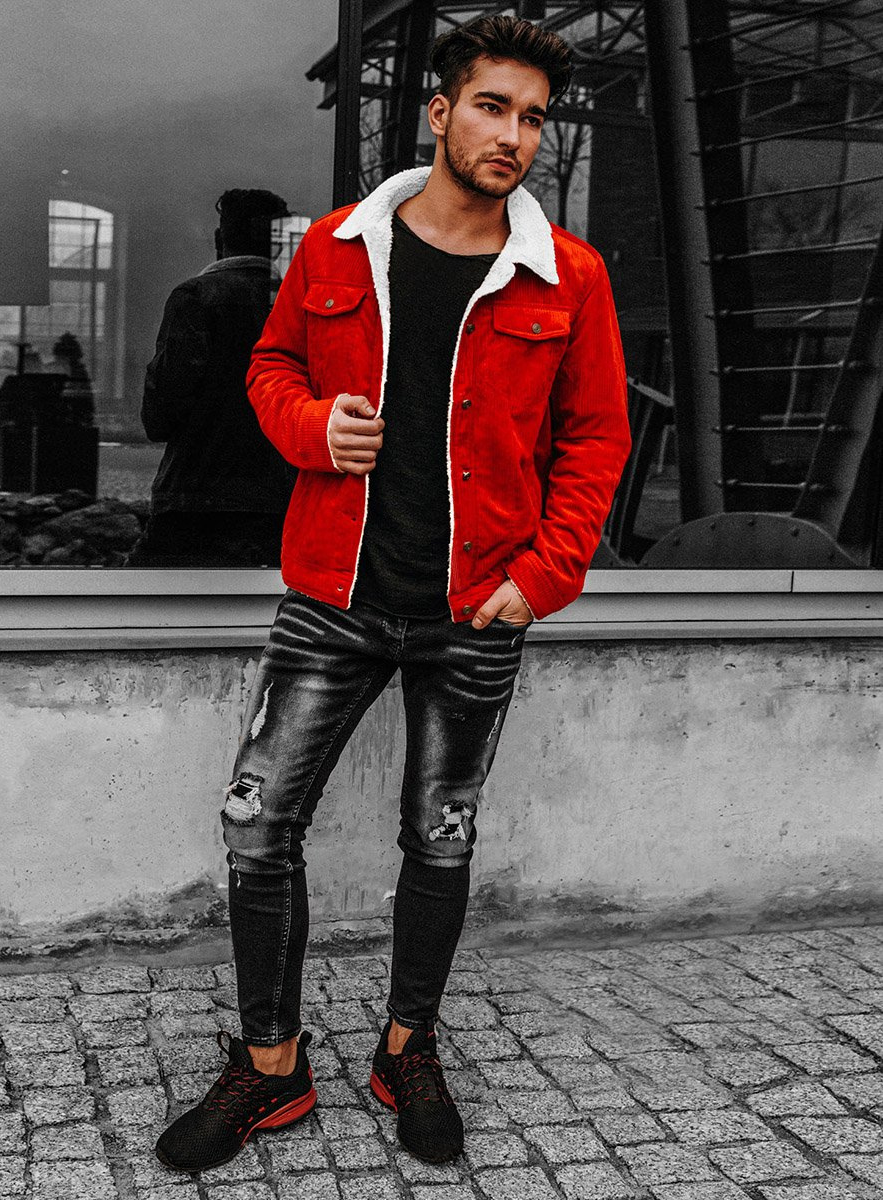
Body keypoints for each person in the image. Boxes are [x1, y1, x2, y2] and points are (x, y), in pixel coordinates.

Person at [155, 14, 631, 1173]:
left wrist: (542, 577)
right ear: (440, 111)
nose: (513, 135)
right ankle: (271, 1065)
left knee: (441, 837)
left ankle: (406, 1050)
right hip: (333, 595)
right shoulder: (336, 247)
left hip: (476, 610)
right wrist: (313, 428)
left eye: (533, 117)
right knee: (257, 825)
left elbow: (597, 438)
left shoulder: (570, 275)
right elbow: (270, 367)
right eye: (492, 107)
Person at [126, 189, 297, 567]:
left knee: (141, 593)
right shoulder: (299, 303)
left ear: (221, 239)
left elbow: (160, 416)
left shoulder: (196, 298)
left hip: (196, 498)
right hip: (279, 499)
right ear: (278, 240)